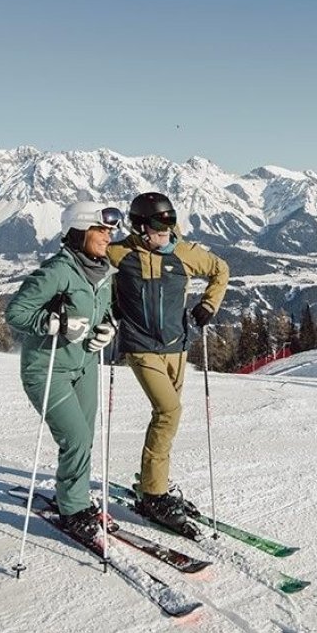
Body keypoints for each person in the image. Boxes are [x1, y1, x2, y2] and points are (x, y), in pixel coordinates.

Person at [106, 191, 229, 536]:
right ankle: (154, 495)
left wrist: (208, 306)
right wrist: (109, 305)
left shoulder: (184, 252)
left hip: (177, 347)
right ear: (141, 226)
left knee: (167, 417)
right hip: (140, 347)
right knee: (168, 411)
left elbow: (221, 271)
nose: (167, 230)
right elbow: (89, 266)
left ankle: (153, 479)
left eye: (171, 221)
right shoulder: (122, 253)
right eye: (160, 224)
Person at [4, 201, 123, 539]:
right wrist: (55, 322)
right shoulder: (57, 270)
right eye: (101, 229)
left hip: (84, 364)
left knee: (84, 438)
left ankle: (76, 498)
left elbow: (106, 312)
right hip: (47, 368)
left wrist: (108, 328)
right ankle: (73, 510)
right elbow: (16, 312)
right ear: (79, 231)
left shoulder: (104, 272)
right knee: (76, 437)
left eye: (110, 230)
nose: (108, 236)